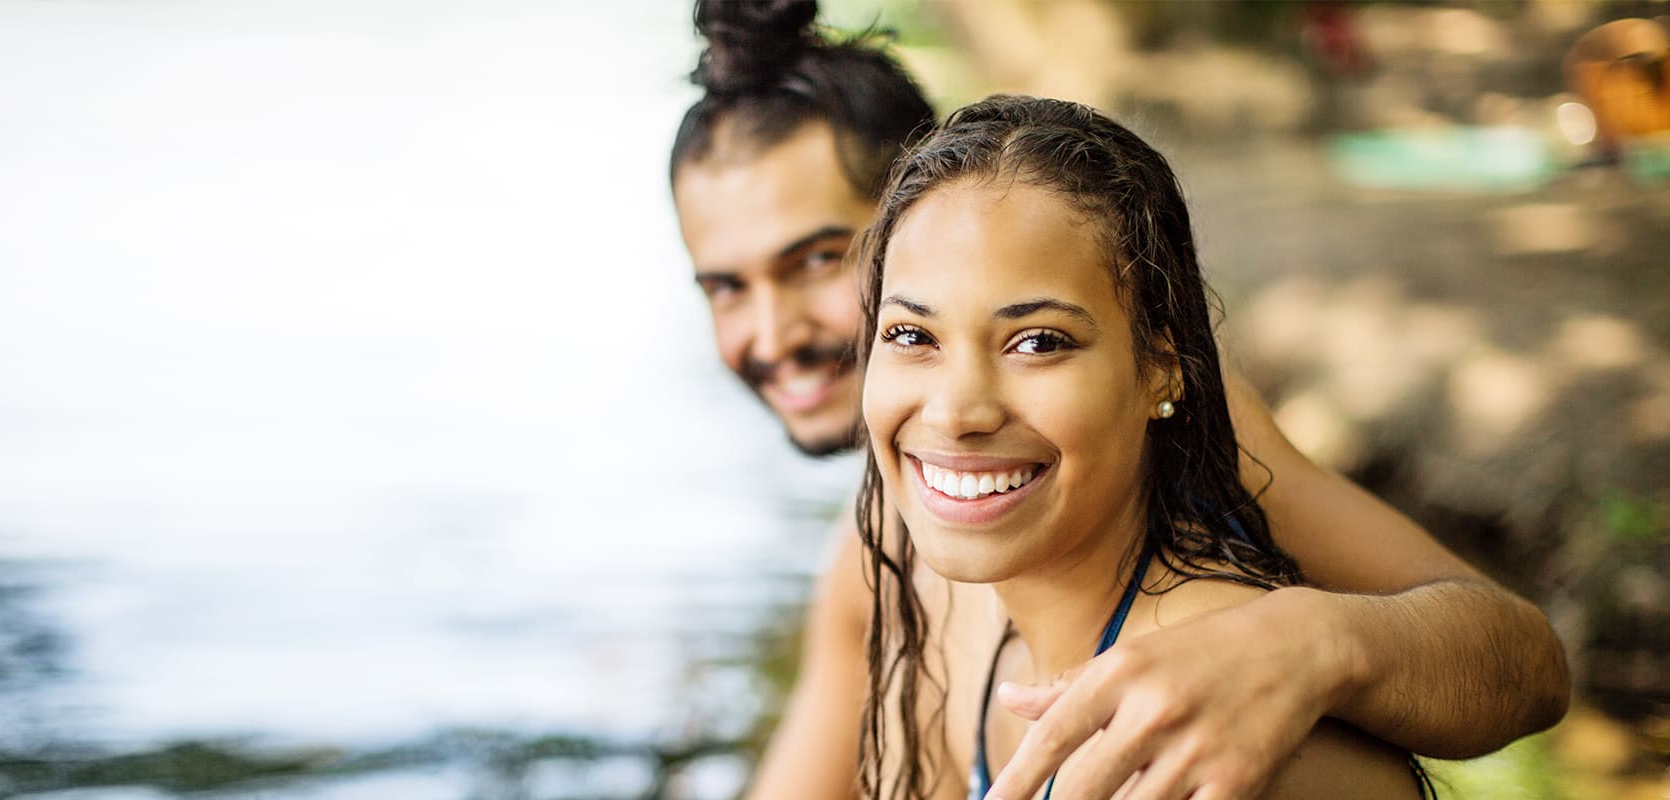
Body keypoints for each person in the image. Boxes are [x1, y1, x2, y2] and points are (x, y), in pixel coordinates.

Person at [666, 2, 1568, 798]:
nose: (774, 333)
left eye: (819, 259)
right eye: (726, 287)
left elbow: (1525, 664)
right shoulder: (887, 553)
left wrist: (1310, 641)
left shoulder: (1164, 411)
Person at [855, 94, 1425, 800]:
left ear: (1160, 368)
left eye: (1038, 342)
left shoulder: (1223, 725)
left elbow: (1528, 665)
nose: (956, 412)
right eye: (913, 336)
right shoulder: (953, 616)